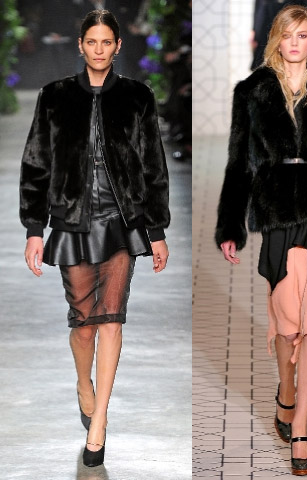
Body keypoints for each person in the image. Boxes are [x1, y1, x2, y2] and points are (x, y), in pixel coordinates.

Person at [215, 5, 307, 476]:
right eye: (288, 35)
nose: (296, 43)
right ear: (276, 40)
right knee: (286, 323)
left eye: (304, 35)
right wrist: (230, 225)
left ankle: (300, 425)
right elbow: (238, 161)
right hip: (279, 209)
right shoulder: (253, 92)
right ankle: (286, 388)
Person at [19, 10, 170, 468]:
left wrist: (156, 231)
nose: (99, 49)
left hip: (122, 221)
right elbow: (36, 164)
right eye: (92, 42)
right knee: (83, 324)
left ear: (118, 46)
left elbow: (154, 165)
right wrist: (34, 229)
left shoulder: (138, 97)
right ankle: (83, 383)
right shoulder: (55, 97)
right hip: (72, 220)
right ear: (81, 45)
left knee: (112, 321)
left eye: (107, 42)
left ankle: (99, 421)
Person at [250, 0, 307, 70]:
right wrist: (255, 33)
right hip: (266, 34)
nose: (294, 43)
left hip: (295, 29)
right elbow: (259, 13)